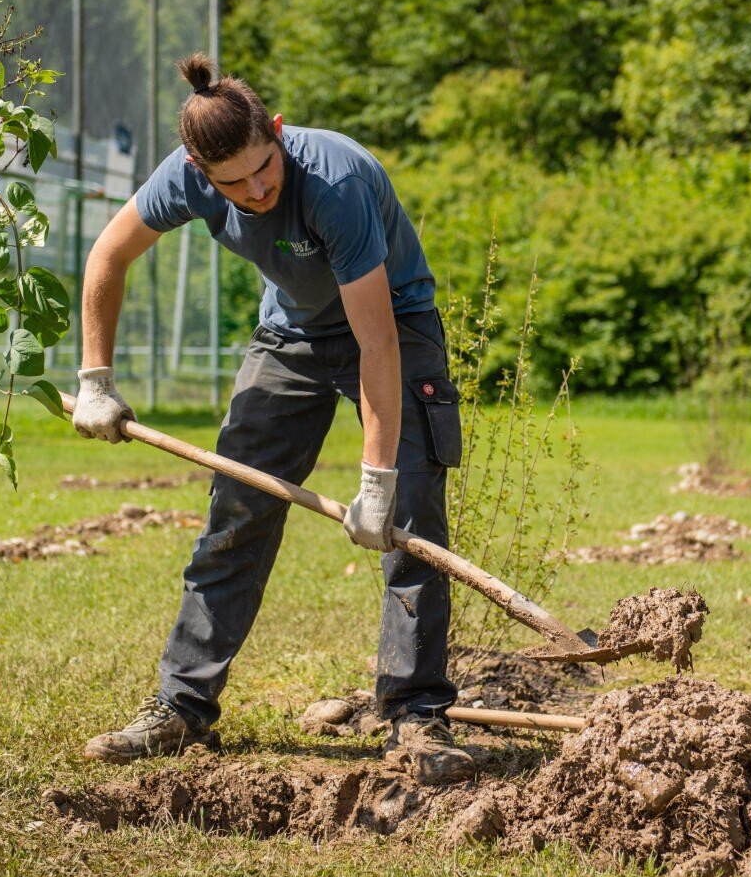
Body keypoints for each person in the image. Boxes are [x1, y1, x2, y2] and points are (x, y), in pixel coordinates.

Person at [71, 54, 473, 785]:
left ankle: (416, 717)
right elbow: (108, 253)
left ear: (277, 132)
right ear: (199, 170)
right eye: (232, 183)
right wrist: (95, 379)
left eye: (264, 168)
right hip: (288, 334)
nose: (255, 191)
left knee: (409, 518)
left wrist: (376, 482)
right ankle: (182, 708)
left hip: (394, 324)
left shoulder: (335, 182)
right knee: (238, 510)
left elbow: (375, 342)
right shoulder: (184, 177)